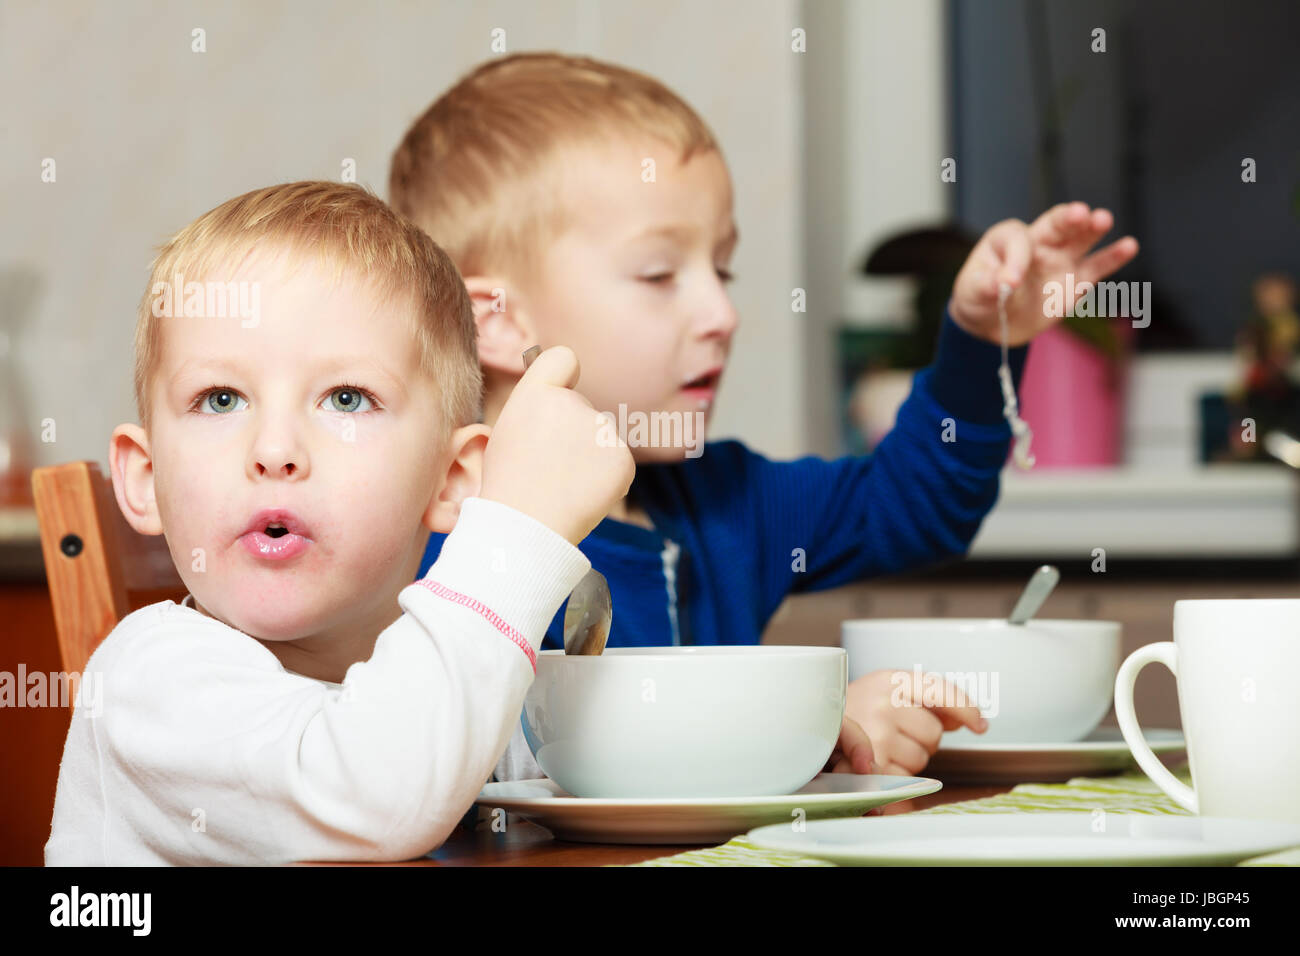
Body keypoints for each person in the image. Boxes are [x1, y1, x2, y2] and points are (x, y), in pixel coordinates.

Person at [390, 53, 1140, 777]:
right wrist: (808, 730)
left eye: (722, 269)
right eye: (659, 274)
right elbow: (471, 773)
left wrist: (983, 340)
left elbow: (923, 506)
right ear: (498, 320)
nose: (722, 312)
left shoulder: (733, 502)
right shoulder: (432, 554)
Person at [45, 181, 634, 864]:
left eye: (346, 399)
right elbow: (374, 798)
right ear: (146, 481)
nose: (273, 452)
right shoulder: (149, 680)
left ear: (451, 482)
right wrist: (517, 531)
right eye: (221, 398)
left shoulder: (452, 687)